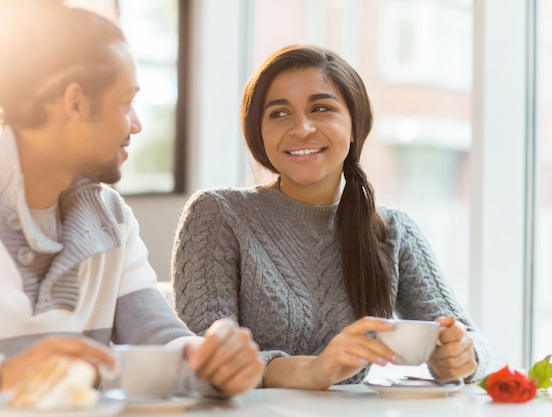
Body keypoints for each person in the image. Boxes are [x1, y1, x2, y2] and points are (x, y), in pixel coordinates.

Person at [171, 44, 491, 390]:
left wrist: (461, 355)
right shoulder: (218, 215)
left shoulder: (391, 230)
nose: (302, 128)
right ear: (258, 133)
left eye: (321, 108)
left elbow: (471, 339)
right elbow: (203, 360)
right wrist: (312, 371)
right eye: (279, 114)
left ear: (354, 125)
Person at [0, 4, 263, 397]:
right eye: (125, 103)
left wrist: (214, 361)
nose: (136, 124)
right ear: (76, 103)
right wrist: (1, 377)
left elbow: (158, 336)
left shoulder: (111, 219)